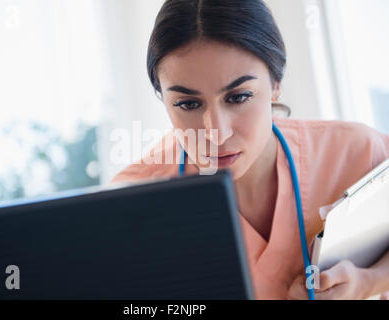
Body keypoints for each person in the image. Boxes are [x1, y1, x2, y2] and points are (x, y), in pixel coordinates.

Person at [109, 0, 389, 300]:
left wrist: (369, 281)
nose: (217, 133)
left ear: (276, 82)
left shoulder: (357, 152)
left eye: (238, 97)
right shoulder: (129, 203)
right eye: (188, 104)